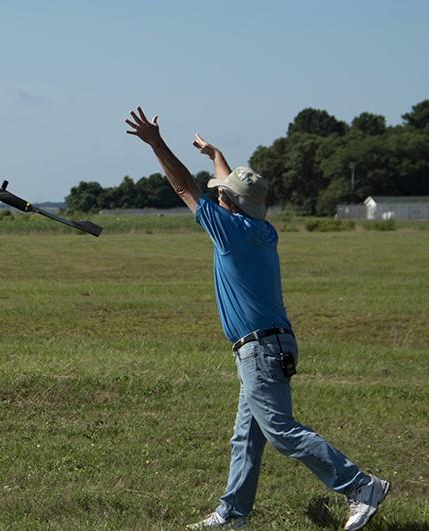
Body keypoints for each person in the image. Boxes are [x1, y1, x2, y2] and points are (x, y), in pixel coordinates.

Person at [125, 107, 390, 530]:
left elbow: (182, 187)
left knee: (280, 430)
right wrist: (217, 155)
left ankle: (360, 486)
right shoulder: (262, 231)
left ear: (226, 204)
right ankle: (233, 514)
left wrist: (156, 143)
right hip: (273, 344)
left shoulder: (227, 232)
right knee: (246, 438)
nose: (215, 196)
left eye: (220, 193)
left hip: (260, 349)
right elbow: (235, 194)